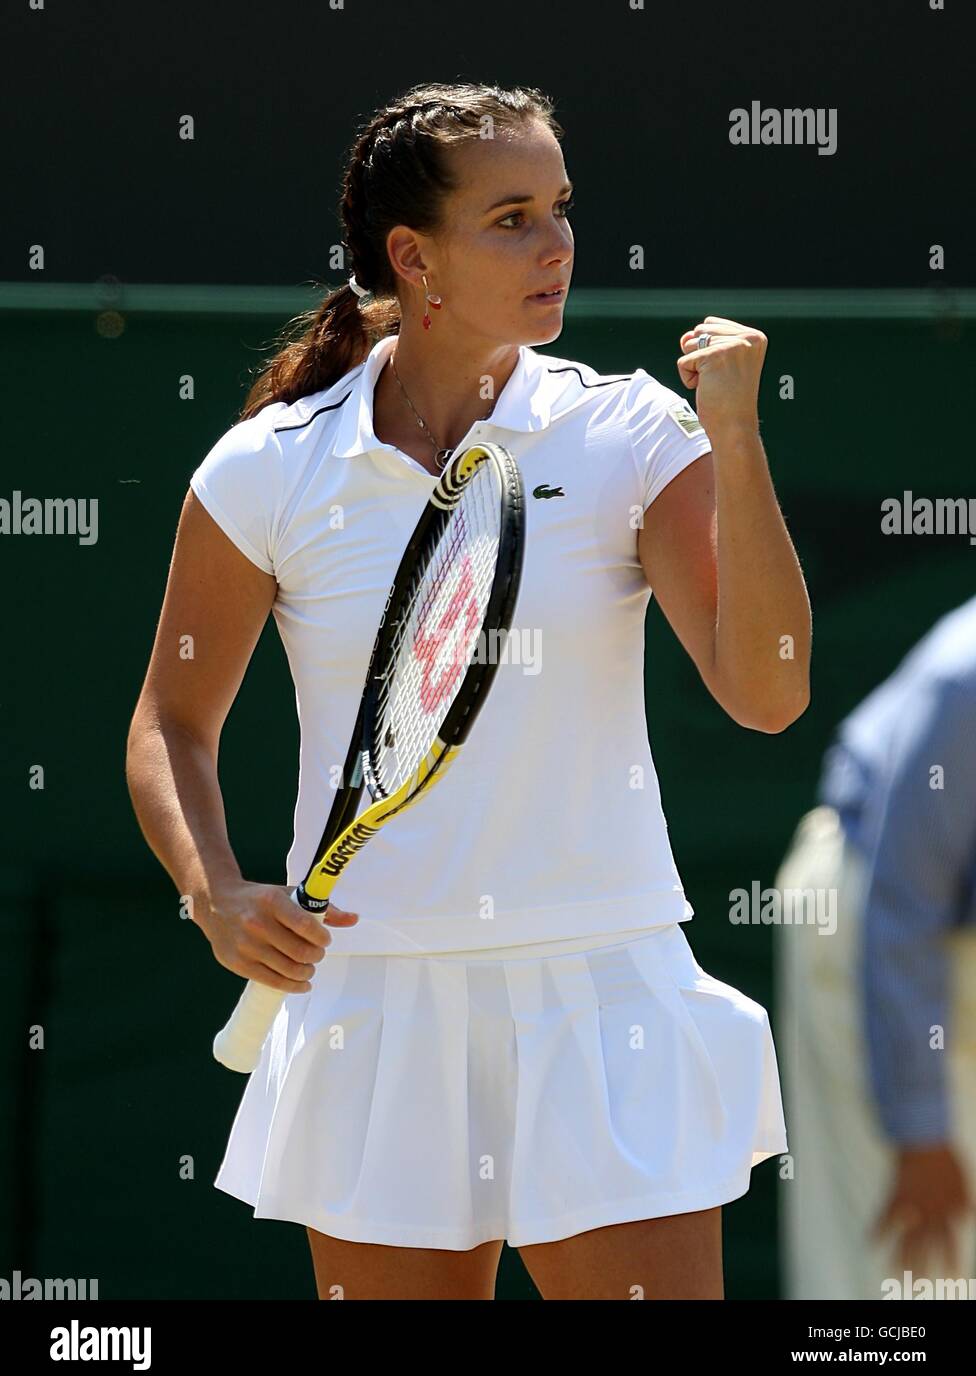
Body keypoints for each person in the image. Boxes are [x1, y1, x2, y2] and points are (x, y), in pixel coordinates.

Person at [125, 81, 809, 1300]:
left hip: (603, 994)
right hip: (371, 1000)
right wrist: (215, 890)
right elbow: (171, 721)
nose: (557, 246)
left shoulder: (635, 432)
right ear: (412, 256)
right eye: (510, 218)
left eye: (560, 209)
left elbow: (767, 692)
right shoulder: (269, 468)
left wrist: (738, 440)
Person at [775, 596, 976, 1299]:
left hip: (946, 933)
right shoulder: (966, 680)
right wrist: (918, 1134)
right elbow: (902, 903)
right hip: (869, 922)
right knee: (903, 1270)